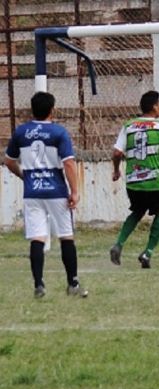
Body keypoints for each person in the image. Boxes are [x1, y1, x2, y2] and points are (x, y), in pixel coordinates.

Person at [4, 92, 88, 298]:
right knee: (66, 236)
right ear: (52, 109)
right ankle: (73, 284)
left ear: (32, 109)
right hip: (56, 191)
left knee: (37, 238)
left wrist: (25, 176)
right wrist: (75, 191)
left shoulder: (21, 132)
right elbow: (68, 162)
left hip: (33, 192)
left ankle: (39, 285)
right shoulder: (58, 132)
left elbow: (8, 160)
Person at [109, 91, 159, 268]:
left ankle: (118, 244)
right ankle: (147, 252)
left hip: (133, 182)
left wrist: (116, 170)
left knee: (137, 212)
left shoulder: (128, 126)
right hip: (154, 182)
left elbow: (117, 153)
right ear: (153, 107)